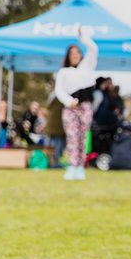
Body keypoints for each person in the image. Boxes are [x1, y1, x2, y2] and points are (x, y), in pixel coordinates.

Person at [54, 26, 98, 180]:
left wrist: (82, 37)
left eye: (77, 52)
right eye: (72, 53)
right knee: (72, 137)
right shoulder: (63, 72)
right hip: (70, 108)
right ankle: (72, 166)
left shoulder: (87, 67)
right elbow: (59, 90)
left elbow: (93, 48)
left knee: (82, 138)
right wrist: (69, 101)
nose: (75, 56)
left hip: (85, 107)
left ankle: (80, 166)